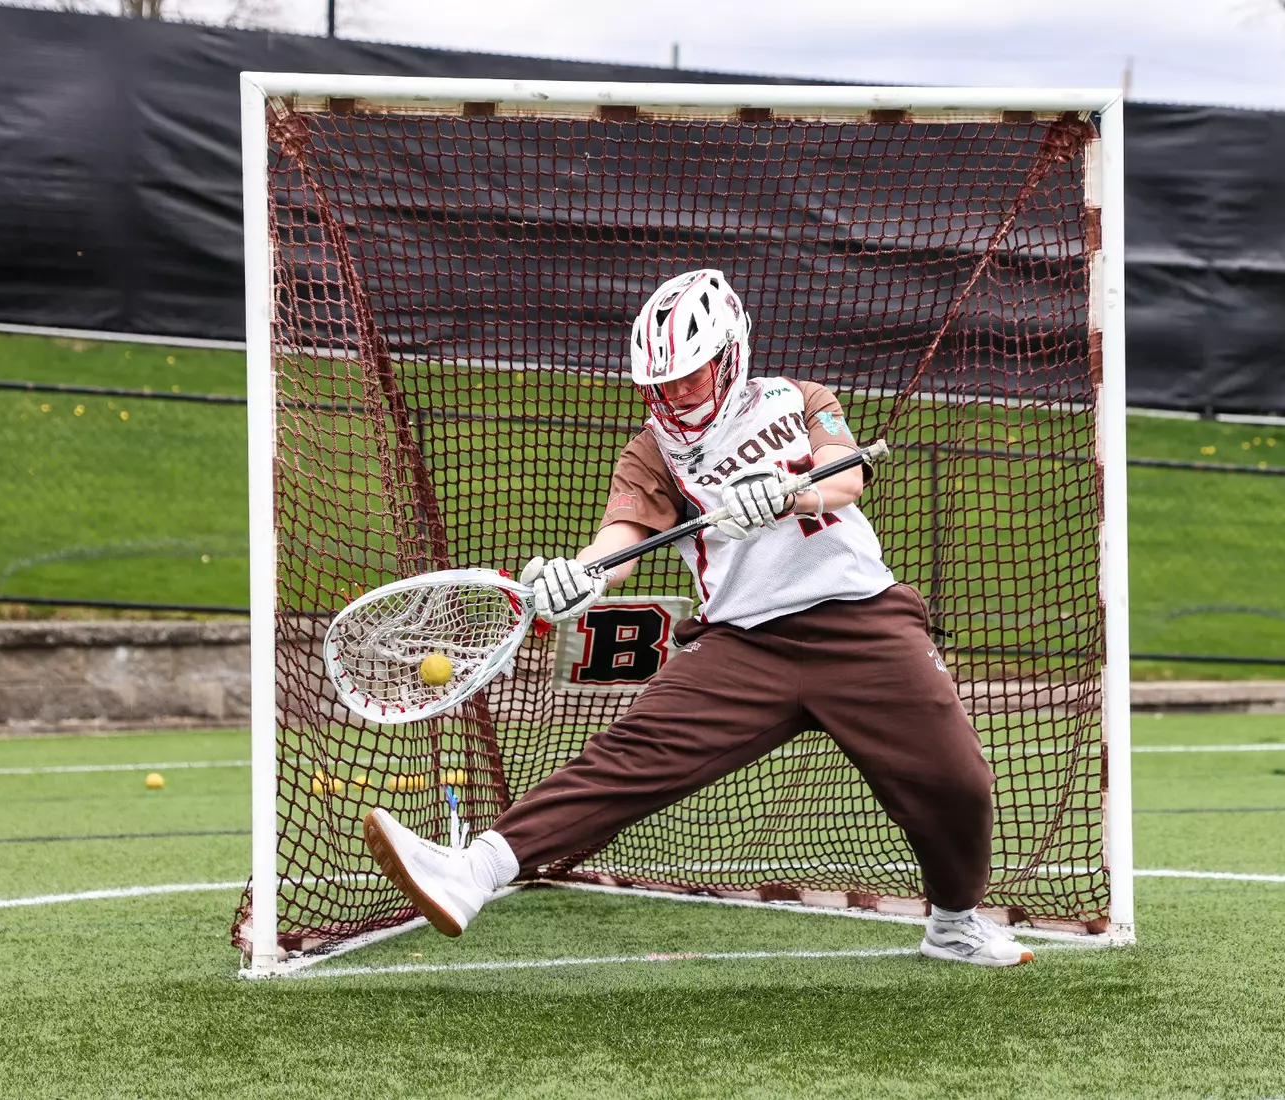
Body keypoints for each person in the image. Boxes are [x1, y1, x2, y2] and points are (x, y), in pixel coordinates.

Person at [364, 269, 1030, 967]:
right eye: (662, 381)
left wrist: (783, 495)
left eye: (692, 373)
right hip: (745, 645)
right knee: (627, 760)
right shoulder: (651, 452)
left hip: (862, 624)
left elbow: (845, 478)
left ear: (730, 355)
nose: (675, 393)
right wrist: (577, 574)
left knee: (958, 783)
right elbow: (620, 542)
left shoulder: (801, 399)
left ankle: (954, 923)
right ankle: (473, 871)